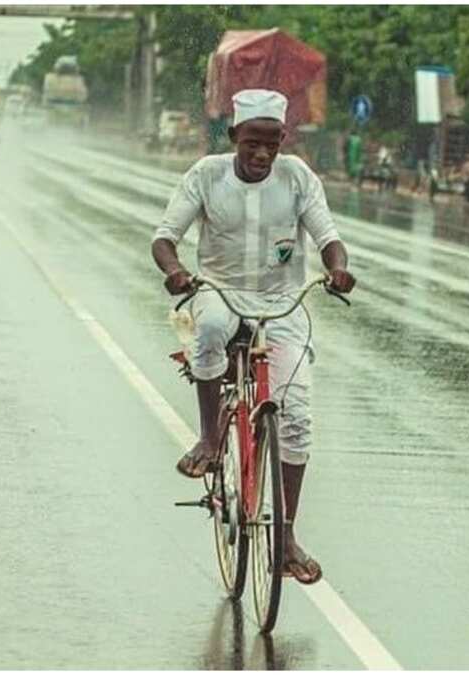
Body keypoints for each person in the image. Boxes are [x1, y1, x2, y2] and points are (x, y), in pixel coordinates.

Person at [150, 89, 356, 585]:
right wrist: (176, 271)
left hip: (283, 305)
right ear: (233, 137)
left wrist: (338, 269)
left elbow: (328, 237)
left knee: (298, 418)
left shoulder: (298, 177)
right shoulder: (205, 175)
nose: (262, 154)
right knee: (213, 330)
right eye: (251, 144)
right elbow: (164, 238)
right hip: (219, 292)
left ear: (283, 140)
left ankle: (284, 537)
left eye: (272, 144)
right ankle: (208, 436)